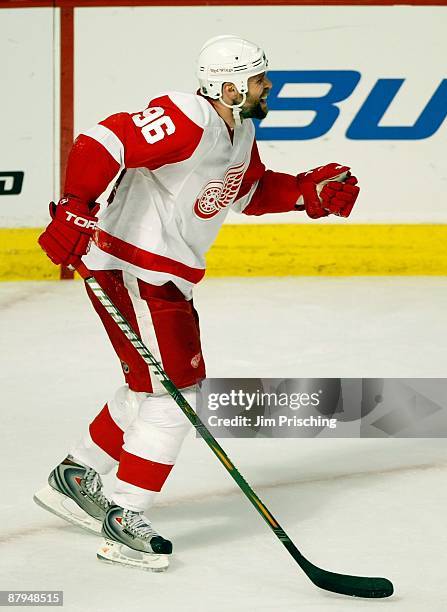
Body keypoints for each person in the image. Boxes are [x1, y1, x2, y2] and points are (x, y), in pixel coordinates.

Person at [34, 34, 360, 572]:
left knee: (152, 385)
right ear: (228, 86)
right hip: (134, 267)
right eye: (258, 79)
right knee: (176, 393)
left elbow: (248, 191)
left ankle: (76, 475)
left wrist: (304, 193)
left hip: (160, 274)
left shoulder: (240, 129)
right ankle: (124, 514)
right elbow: (102, 140)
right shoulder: (189, 116)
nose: (267, 86)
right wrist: (74, 206)